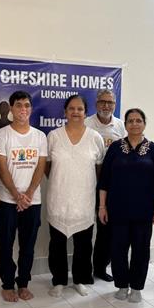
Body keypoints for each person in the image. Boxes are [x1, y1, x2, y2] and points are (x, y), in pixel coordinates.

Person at [98, 108, 154, 303]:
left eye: (138, 120)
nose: (134, 124)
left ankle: (137, 287)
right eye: (130, 120)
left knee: (141, 250)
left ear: (144, 124)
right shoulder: (115, 148)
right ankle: (122, 285)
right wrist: (102, 207)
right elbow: (104, 181)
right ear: (125, 124)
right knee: (118, 249)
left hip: (143, 211)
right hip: (117, 209)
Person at [46, 95, 105, 297]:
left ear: (85, 112)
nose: (75, 112)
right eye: (71, 108)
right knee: (57, 244)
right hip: (59, 197)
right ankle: (59, 280)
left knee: (84, 244)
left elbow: (99, 170)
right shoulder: (54, 136)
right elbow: (47, 166)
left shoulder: (95, 138)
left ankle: (80, 279)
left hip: (84, 198)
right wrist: (61, 179)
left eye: (80, 109)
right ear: (65, 112)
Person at [0, 91, 48, 302]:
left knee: (28, 246)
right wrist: (17, 195)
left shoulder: (39, 136)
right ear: (11, 108)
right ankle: (7, 284)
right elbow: (1, 167)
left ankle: (23, 283)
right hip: (8, 201)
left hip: (32, 201)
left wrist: (29, 194)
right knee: (5, 245)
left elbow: (41, 166)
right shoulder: (2, 135)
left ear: (31, 109)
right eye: (18, 105)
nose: (23, 109)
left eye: (27, 105)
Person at [85, 89, 127, 282]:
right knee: (85, 228)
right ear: (96, 104)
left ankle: (101, 268)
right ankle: (84, 269)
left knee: (106, 228)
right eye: (102, 102)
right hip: (87, 183)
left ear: (114, 105)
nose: (106, 106)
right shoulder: (86, 124)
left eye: (110, 102)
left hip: (111, 185)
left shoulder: (120, 126)